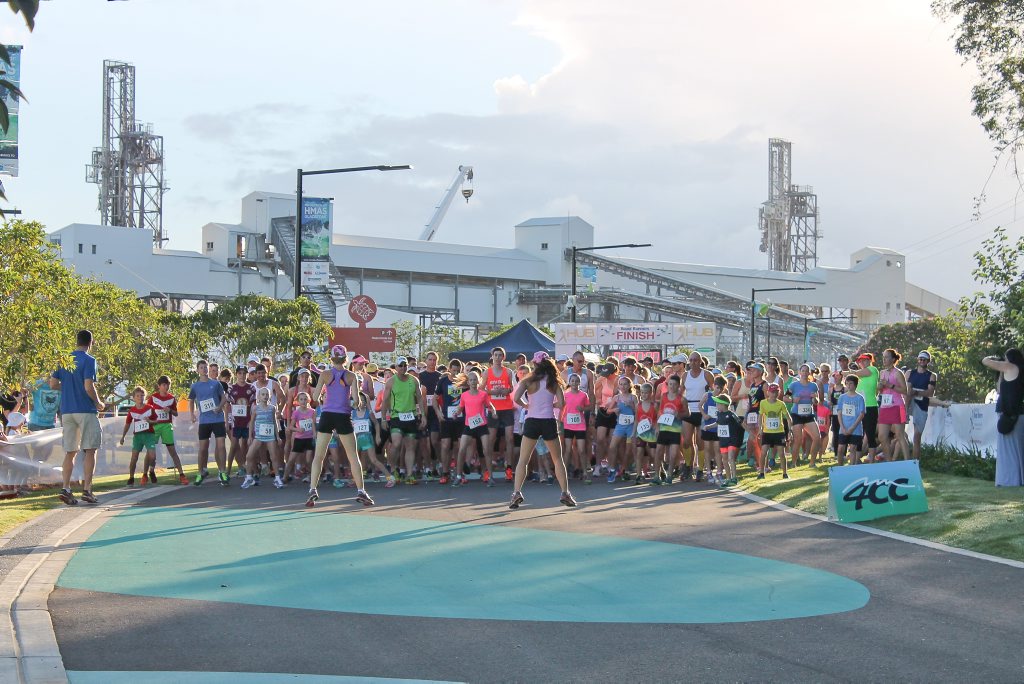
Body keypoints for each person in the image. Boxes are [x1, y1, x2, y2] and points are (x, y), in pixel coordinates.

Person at [306, 345, 375, 507]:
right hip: (343, 416)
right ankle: (361, 491)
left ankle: (312, 489)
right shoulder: (351, 376)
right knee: (353, 456)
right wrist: (351, 405)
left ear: (331, 358)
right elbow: (357, 401)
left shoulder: (325, 374)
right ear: (346, 359)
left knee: (319, 456)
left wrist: (324, 397)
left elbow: (315, 398)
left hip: (327, 416)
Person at [509, 352, 576, 509]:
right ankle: (565, 492)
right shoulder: (553, 382)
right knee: (557, 459)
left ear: (536, 364)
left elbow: (516, 398)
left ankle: (517, 492)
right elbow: (562, 403)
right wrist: (552, 406)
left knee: (523, 460)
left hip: (532, 420)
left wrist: (526, 405)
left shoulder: (528, 380)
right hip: (548, 421)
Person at [50, 329, 105, 505]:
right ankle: (87, 490)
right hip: (85, 409)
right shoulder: (89, 360)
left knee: (70, 451)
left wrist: (68, 388)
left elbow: (53, 384)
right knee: (90, 449)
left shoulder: (65, 359)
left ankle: (66, 488)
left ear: (76, 341)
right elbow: (89, 386)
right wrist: (98, 402)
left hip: (67, 410)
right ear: (91, 342)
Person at [380, 356, 427, 484]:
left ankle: (410, 475)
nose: (403, 368)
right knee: (396, 443)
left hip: (411, 416)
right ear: (396, 367)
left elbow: (419, 399)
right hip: (396, 416)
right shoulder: (391, 381)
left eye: (405, 365)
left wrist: (422, 415)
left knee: (411, 446)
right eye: (400, 366)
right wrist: (384, 419)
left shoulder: (414, 380)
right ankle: (394, 468)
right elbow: (385, 401)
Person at [982, 349, 1024, 487]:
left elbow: (985, 361)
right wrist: (1001, 371)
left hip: (1008, 413)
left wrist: (996, 360)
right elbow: (1000, 389)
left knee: (1008, 450)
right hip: (1018, 412)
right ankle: (1018, 479)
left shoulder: (1010, 367)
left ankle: (1009, 480)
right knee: (1018, 449)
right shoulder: (1017, 370)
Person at [190, 359, 230, 486]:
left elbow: (224, 398)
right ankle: (200, 472)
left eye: (205, 367)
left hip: (217, 419)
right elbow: (191, 399)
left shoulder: (216, 383)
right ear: (197, 370)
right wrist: (192, 414)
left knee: (221, 446)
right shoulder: (195, 386)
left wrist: (219, 407)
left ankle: (223, 472)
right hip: (204, 420)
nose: (204, 369)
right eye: (201, 367)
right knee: (203, 448)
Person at [453, 370, 495, 488]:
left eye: (475, 379)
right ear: (468, 382)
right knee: (462, 450)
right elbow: (460, 408)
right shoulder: (464, 395)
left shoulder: (483, 394)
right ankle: (458, 476)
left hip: (481, 425)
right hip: (469, 425)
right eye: (471, 380)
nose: (473, 382)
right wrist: (456, 413)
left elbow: (490, 406)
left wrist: (494, 412)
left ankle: (490, 476)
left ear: (478, 381)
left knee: (487, 450)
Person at [484, 347, 517, 483]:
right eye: (495, 355)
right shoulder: (487, 372)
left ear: (503, 357)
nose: (498, 358)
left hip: (507, 408)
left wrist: (506, 390)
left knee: (509, 438)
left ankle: (509, 468)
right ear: (492, 356)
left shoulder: (508, 372)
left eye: (500, 355)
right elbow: (482, 390)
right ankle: (488, 470)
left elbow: (513, 388)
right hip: (493, 409)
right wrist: (493, 392)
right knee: (491, 440)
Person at [148, 375, 189, 485]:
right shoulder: (153, 398)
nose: (166, 387)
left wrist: (169, 410)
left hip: (166, 426)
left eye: (168, 385)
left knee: (172, 451)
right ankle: (150, 472)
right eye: (164, 385)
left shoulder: (171, 398)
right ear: (159, 386)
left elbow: (176, 413)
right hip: (155, 426)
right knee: (151, 452)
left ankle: (182, 475)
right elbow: (147, 411)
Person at [119, 386, 159, 486]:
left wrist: (150, 421)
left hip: (149, 435)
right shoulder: (132, 410)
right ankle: (131, 477)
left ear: (145, 397)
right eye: (137, 396)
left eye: (142, 396)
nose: (140, 398)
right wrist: (123, 436)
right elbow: (127, 424)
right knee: (134, 457)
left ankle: (152, 471)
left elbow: (156, 421)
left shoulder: (150, 408)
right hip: (138, 436)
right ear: (133, 398)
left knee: (152, 456)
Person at [877, 349, 910, 461]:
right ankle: (889, 461)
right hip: (885, 406)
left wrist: (890, 385)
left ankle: (907, 461)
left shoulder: (898, 373)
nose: (884, 359)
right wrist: (880, 387)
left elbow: (905, 391)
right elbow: (880, 391)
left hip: (896, 406)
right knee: (882, 436)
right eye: (883, 357)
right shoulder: (882, 372)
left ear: (893, 359)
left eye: (886, 357)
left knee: (900, 435)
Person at [852, 353, 881, 463]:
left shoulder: (872, 369)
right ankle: (857, 459)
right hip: (859, 408)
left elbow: (859, 373)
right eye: (860, 361)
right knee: (859, 434)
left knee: (870, 434)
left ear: (870, 360)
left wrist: (849, 372)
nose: (862, 363)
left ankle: (871, 459)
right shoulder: (859, 378)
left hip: (870, 406)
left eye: (865, 360)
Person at [227, 366, 256, 478]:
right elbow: (227, 405)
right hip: (235, 422)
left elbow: (254, 405)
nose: (242, 376)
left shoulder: (251, 388)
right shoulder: (231, 388)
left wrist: (252, 421)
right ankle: (227, 471)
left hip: (247, 421)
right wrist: (227, 421)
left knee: (248, 445)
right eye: (240, 373)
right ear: (236, 374)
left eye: (244, 373)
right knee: (234, 446)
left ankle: (249, 471)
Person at [908, 351, 938, 460]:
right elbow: (906, 389)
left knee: (917, 436)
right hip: (908, 403)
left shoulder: (931, 376)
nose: (922, 361)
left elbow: (930, 392)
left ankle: (915, 461)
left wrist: (916, 392)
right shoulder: (910, 373)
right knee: (897, 433)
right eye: (920, 359)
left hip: (921, 405)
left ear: (928, 361)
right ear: (917, 360)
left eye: (924, 359)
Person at [758, 383, 792, 479]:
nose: (774, 394)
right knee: (764, 452)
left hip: (779, 432)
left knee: (781, 453)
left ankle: (785, 473)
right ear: (768, 392)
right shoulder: (763, 403)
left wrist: (790, 431)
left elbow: (789, 419)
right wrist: (760, 428)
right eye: (772, 392)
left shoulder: (781, 404)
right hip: (767, 432)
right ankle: (761, 473)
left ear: (779, 392)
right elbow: (760, 416)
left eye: (776, 392)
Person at [835, 375, 866, 466]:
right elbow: (839, 412)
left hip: (855, 429)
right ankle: (840, 467)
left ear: (855, 385)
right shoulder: (842, 397)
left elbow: (861, 414)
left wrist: (852, 427)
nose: (848, 385)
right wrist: (842, 427)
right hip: (844, 427)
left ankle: (851, 468)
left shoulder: (860, 398)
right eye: (847, 383)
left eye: (851, 383)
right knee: (840, 449)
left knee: (853, 448)